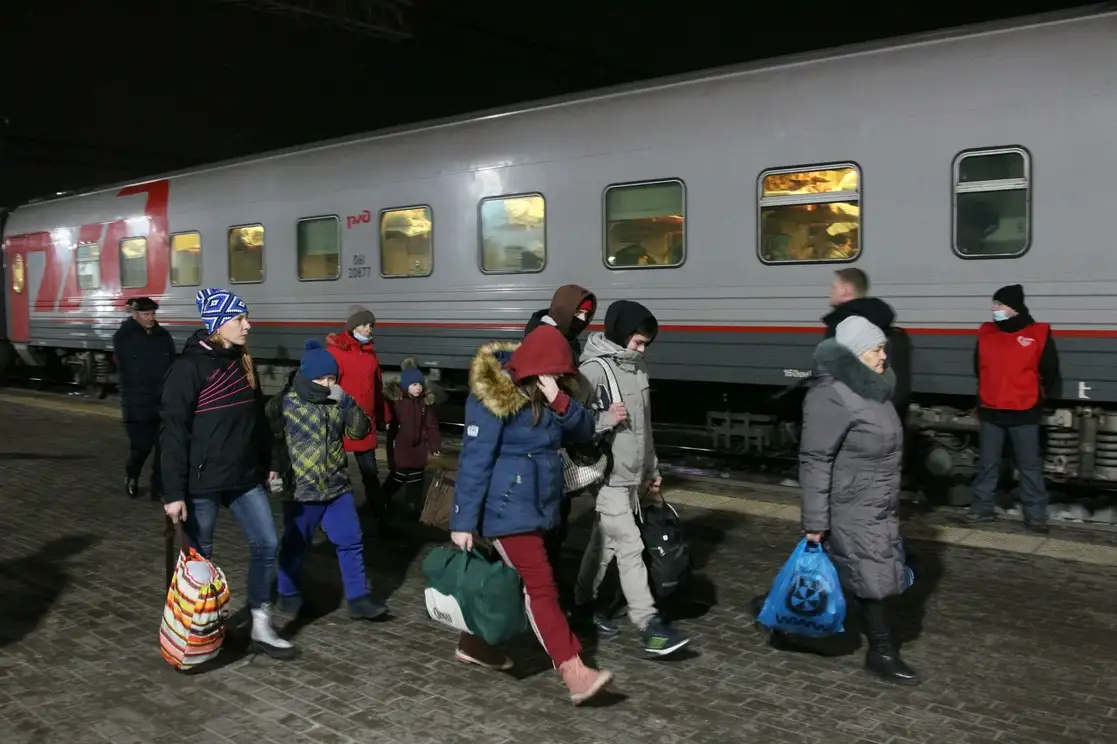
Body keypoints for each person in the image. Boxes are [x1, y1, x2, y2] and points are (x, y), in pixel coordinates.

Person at [449, 325, 613, 705]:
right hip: (506, 507)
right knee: (540, 587)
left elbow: (585, 431)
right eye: (554, 373)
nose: (559, 380)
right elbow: (475, 460)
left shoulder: (551, 394)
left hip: (540, 505)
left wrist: (560, 400)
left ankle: (473, 645)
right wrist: (462, 521)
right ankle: (574, 670)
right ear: (536, 368)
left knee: (509, 581)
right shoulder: (494, 397)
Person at [161, 288, 294, 660]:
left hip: (244, 477)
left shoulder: (242, 361)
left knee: (267, 543)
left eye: (245, 318)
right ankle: (199, 630)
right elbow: (172, 432)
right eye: (239, 319)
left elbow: (257, 420)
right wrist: (173, 493)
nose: (247, 325)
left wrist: (268, 461)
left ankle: (261, 623)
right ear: (218, 324)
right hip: (201, 483)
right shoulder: (188, 368)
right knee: (200, 560)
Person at [798, 316, 917, 685]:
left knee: (838, 569)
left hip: (876, 502)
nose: (885, 356)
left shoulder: (872, 391)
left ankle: (781, 614)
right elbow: (815, 460)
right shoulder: (830, 395)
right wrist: (816, 522)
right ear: (855, 353)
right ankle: (881, 652)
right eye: (877, 349)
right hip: (852, 505)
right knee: (870, 574)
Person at [573, 300, 690, 656]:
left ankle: (582, 604)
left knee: (604, 543)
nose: (641, 349)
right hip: (607, 475)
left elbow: (645, 430)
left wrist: (652, 471)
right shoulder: (591, 371)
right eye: (637, 342)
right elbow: (571, 425)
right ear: (621, 334)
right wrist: (605, 419)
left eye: (645, 344)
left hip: (633, 476)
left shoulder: (638, 371)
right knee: (630, 544)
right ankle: (649, 624)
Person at [270, 340, 390, 621]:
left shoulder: (337, 403)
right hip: (302, 490)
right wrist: (273, 469)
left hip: (337, 487)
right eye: (321, 378)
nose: (327, 384)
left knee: (350, 540)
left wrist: (347, 401)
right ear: (306, 375)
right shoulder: (284, 405)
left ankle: (358, 599)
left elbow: (360, 431)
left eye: (332, 378)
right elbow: (271, 442)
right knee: (295, 545)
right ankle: (288, 593)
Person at [523, 284, 598, 595]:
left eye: (587, 314)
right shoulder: (542, 336)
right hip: (542, 441)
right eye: (578, 311)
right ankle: (538, 586)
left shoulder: (567, 337)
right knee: (543, 521)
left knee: (558, 516)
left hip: (561, 436)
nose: (582, 318)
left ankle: (545, 581)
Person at [968, 284, 1059, 532]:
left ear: (1014, 308)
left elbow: (1049, 372)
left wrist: (1037, 397)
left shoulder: (1038, 334)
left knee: (1028, 465)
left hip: (1024, 410)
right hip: (991, 408)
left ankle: (1035, 513)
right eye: (994, 304)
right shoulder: (986, 333)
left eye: (999, 304)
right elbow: (978, 367)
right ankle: (982, 508)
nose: (993, 309)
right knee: (988, 463)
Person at [326, 306, 391, 526]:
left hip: (366, 422)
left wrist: (383, 417)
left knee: (370, 473)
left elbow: (377, 387)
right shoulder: (335, 353)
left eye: (371, 325)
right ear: (352, 326)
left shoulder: (371, 355)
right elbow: (327, 388)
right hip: (342, 422)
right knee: (339, 473)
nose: (368, 328)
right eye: (364, 324)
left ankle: (379, 514)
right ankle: (341, 515)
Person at [823, 268, 911, 418]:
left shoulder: (843, 324)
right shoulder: (883, 324)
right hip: (888, 417)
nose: (830, 292)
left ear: (846, 290)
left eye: (834, 287)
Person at [113, 296, 175, 500]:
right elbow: (129, 370)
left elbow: (172, 363)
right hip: (137, 404)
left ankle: (158, 485)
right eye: (146, 314)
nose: (151, 318)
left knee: (163, 447)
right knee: (142, 446)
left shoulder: (163, 336)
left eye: (153, 314)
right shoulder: (124, 336)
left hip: (162, 402)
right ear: (135, 314)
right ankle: (132, 474)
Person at [383, 359, 441, 519]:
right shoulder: (398, 403)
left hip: (418, 447)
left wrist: (435, 445)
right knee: (399, 474)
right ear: (405, 385)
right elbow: (392, 425)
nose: (418, 388)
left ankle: (412, 506)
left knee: (417, 477)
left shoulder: (424, 403)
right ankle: (383, 498)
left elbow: (431, 426)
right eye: (414, 384)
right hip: (402, 446)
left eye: (420, 384)